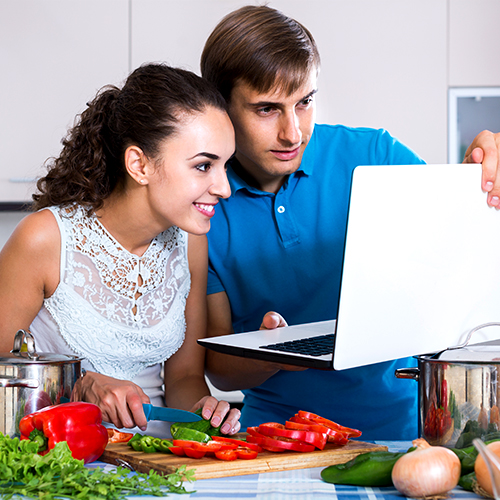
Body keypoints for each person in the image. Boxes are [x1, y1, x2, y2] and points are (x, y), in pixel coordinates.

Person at [200, 5, 500, 440]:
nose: (293, 132)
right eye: (267, 109)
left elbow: (462, 246)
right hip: (278, 440)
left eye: (304, 102)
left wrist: (482, 171)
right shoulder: (205, 201)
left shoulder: (376, 154)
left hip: (405, 429)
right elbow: (220, 370)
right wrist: (274, 353)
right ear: (221, 107)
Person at [0, 63, 242, 437]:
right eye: (204, 166)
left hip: (155, 464)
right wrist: (78, 384)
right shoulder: (45, 238)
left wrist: (203, 413)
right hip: (61, 460)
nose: (224, 188)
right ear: (139, 164)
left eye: (226, 165)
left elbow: (185, 377)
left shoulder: (190, 242)